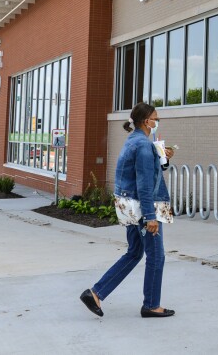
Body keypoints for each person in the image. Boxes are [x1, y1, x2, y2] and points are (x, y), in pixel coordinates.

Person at [80, 102, 175, 319]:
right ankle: (151, 305)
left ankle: (95, 294)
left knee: (134, 253)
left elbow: (147, 172)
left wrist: (164, 159)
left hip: (130, 207)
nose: (157, 121)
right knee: (156, 256)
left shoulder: (135, 140)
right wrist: (150, 217)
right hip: (143, 209)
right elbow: (143, 182)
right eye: (155, 118)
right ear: (145, 121)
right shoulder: (142, 145)